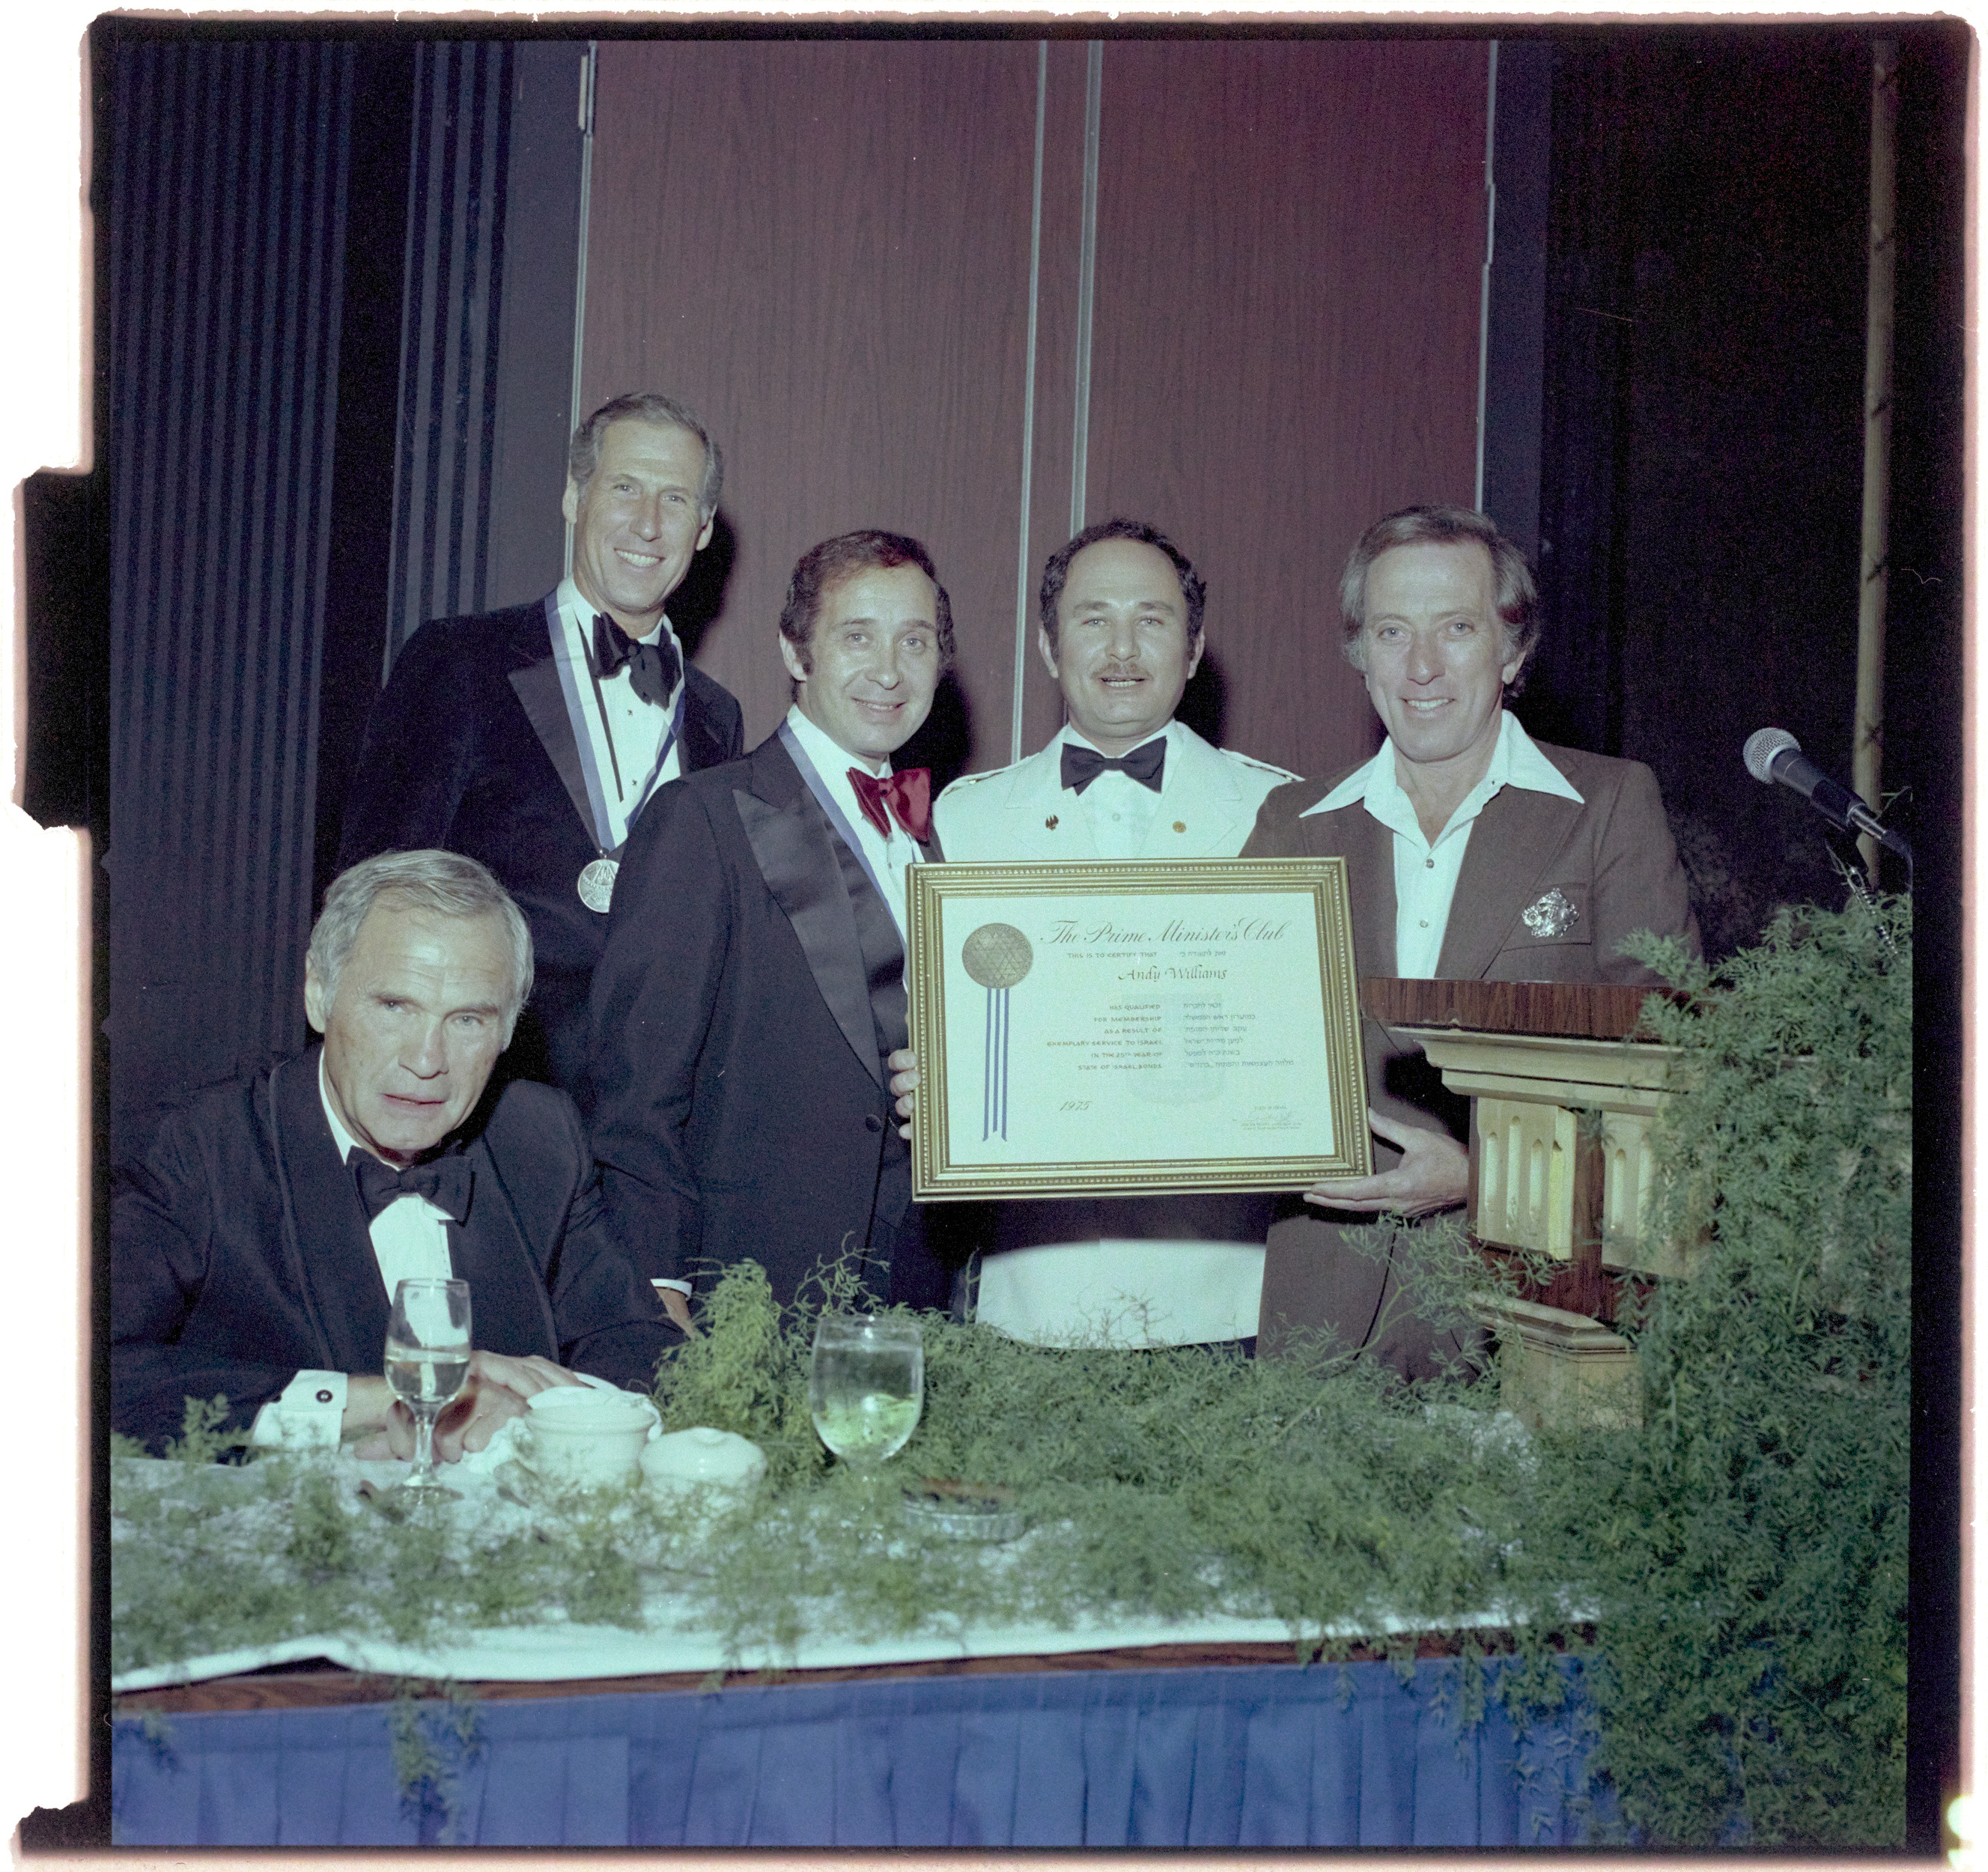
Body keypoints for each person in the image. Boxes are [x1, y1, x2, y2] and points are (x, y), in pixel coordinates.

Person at [1241, 504, 1700, 1377]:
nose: (1421, 667)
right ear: (1360, 653)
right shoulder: (1290, 822)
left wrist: (1481, 1177)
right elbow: (1218, 1046)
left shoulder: (1607, 809)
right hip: (1320, 1321)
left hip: (1535, 1318)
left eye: (1456, 628)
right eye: (1391, 631)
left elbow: (1670, 1085)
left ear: (1513, 650)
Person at [112, 851, 675, 1459]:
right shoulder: (200, 1148)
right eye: (394, 1007)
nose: (427, 1059)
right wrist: (395, 1400)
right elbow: (79, 1369)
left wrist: (542, 1419)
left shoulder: (539, 1137)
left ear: (507, 1032)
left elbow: (637, 1342)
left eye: (466, 1019)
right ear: (319, 995)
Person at [927, 519, 1295, 1348]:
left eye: (1153, 620)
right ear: (1050, 647)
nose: (1122, 648)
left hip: (1222, 1299)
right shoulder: (967, 817)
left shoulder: (1282, 814)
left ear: (1195, 648)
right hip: (1030, 1301)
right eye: (1094, 619)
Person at [589, 531, 957, 1327]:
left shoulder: (952, 841)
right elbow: (635, 1093)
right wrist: (657, 1292)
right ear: (796, 652)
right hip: (747, 1295)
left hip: (913, 1298)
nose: (889, 671)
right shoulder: (704, 817)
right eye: (857, 636)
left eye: (915, 641)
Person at [337, 392, 745, 1101]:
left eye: (675, 500)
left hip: (648, 1117)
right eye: (624, 488)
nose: (647, 525)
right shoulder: (457, 660)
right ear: (572, 497)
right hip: (480, 1099)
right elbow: (374, 897)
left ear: (703, 529)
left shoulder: (716, 717)